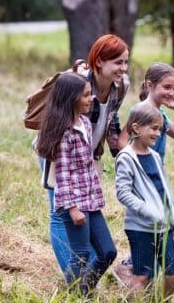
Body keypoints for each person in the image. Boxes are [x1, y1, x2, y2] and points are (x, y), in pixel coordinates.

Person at [41, 35, 130, 274]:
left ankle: (84, 275)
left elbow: (112, 118)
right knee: (61, 212)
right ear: (99, 62)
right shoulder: (79, 81)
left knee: (85, 213)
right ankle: (73, 276)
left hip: (86, 151)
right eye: (118, 63)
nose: (123, 68)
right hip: (59, 147)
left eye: (125, 62)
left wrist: (118, 153)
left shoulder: (121, 85)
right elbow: (58, 118)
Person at [35, 72, 117, 296]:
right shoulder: (64, 132)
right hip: (74, 203)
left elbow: (87, 167)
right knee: (80, 255)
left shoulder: (84, 124)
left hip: (90, 199)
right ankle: (74, 299)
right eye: (86, 95)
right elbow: (62, 174)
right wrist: (72, 208)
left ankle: (84, 290)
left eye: (90, 94)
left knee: (108, 252)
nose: (90, 99)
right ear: (71, 98)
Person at [114, 102, 174, 303]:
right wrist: (150, 212)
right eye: (153, 128)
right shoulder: (126, 157)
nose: (158, 133)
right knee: (142, 276)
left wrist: (171, 216)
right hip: (141, 227)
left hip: (163, 225)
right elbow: (123, 193)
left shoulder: (154, 156)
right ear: (136, 128)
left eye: (160, 129)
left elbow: (161, 189)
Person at [136, 63, 174, 160]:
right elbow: (122, 142)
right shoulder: (140, 112)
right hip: (141, 173)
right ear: (149, 85)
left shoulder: (161, 116)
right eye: (167, 87)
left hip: (156, 172)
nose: (172, 93)